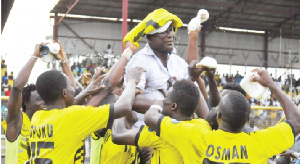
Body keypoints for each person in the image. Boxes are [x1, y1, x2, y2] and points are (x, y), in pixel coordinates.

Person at [144, 68, 300, 163]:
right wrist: (271, 85)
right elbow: (296, 121)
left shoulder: (194, 135)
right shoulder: (261, 142)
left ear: (218, 116)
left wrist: (158, 102)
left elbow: (150, 118)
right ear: (247, 120)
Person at [28, 62, 144, 163]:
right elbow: (123, 107)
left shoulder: (38, 117)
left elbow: (67, 108)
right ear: (64, 93)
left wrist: (85, 92)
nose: (74, 89)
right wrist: (132, 81)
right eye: (71, 87)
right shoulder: (73, 116)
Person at [123, 8, 208, 128]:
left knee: (193, 89)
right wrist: (166, 106)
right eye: (164, 31)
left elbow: (196, 96)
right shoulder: (140, 61)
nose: (171, 35)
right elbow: (131, 99)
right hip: (146, 136)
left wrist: (210, 127)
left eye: (172, 30)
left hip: (177, 133)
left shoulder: (178, 63)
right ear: (149, 37)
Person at [112, 79, 211, 164]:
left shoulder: (161, 134)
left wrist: (122, 99)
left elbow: (118, 134)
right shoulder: (203, 125)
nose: (163, 102)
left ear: (173, 106)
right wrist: (170, 98)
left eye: (165, 100)